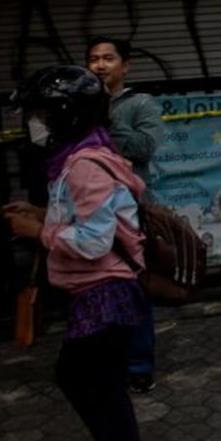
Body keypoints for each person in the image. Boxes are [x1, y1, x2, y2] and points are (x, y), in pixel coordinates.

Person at [2, 67, 151, 441]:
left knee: (93, 386)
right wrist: (43, 213)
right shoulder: (77, 159)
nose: (36, 122)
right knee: (94, 385)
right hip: (95, 293)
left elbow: (92, 241)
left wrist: (38, 230)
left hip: (105, 293)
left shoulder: (86, 166)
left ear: (66, 114)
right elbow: (86, 217)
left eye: (42, 113)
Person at [90, 37, 164, 392]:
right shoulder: (78, 105)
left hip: (128, 210)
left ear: (125, 65)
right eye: (93, 59)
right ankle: (104, 362)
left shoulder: (140, 104)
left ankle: (138, 365)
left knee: (133, 286)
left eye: (108, 58)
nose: (100, 65)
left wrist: (107, 117)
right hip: (89, 209)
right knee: (96, 285)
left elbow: (144, 148)